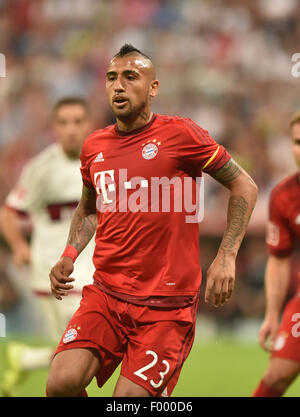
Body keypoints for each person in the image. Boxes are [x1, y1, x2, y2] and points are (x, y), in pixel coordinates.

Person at [46, 44, 257, 397]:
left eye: (131, 77)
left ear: (153, 87)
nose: (118, 86)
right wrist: (69, 253)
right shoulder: (94, 147)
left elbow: (244, 185)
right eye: (112, 78)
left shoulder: (182, 135)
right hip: (107, 297)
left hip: (165, 309)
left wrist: (227, 255)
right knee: (60, 384)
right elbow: (88, 208)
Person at [0, 97, 95, 396]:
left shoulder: (102, 161)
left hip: (94, 269)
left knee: (81, 351)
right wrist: (18, 246)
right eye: (64, 122)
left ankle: (26, 358)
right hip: (57, 274)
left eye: (77, 121)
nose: (71, 129)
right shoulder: (42, 167)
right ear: (54, 127)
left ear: (89, 124)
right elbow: (9, 212)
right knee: (78, 355)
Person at [253, 111, 300, 397]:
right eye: (297, 141)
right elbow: (280, 259)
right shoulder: (284, 195)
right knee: (276, 376)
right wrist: (272, 315)